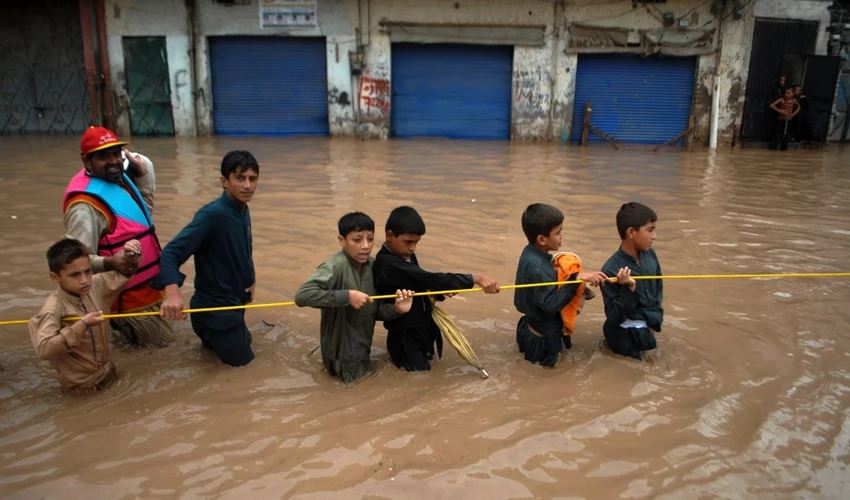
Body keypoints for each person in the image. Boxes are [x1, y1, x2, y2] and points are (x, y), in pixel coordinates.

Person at [63, 126, 174, 348]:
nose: (113, 161)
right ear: (87, 162)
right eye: (104, 156)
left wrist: (142, 175)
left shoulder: (119, 181)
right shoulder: (84, 207)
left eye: (116, 153)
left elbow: (141, 220)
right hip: (130, 305)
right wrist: (111, 262)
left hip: (149, 292)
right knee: (163, 354)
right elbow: (73, 263)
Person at [153, 151, 259, 367]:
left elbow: (240, 250)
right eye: (240, 178)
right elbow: (171, 252)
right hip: (215, 311)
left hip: (231, 306)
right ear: (224, 181)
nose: (247, 185)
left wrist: (250, 280)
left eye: (252, 178)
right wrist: (172, 294)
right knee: (246, 369)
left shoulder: (241, 209)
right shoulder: (212, 215)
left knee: (229, 354)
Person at [374, 206, 500, 372]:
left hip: (423, 328)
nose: (413, 248)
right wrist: (475, 278)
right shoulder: (387, 263)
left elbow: (419, 284)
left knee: (426, 371)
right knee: (420, 379)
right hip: (406, 337)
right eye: (408, 242)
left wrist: (440, 292)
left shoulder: (405, 254)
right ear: (390, 236)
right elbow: (428, 278)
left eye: (416, 242)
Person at [294, 212, 415, 383]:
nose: (365, 246)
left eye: (370, 239)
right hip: (341, 356)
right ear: (342, 240)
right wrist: (347, 296)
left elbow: (373, 308)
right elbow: (302, 295)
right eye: (357, 240)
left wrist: (396, 309)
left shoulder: (373, 266)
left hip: (362, 350)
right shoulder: (334, 266)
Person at [28, 238, 141, 395]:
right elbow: (44, 349)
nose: (84, 280)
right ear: (55, 278)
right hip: (82, 387)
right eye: (74, 275)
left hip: (108, 373)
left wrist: (130, 257)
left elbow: (123, 273)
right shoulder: (53, 308)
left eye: (87, 271)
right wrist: (82, 325)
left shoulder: (94, 285)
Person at [513, 204, 607, 367]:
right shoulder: (536, 267)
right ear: (542, 239)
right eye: (558, 233)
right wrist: (575, 279)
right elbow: (550, 305)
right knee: (548, 380)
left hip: (530, 328)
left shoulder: (531, 253)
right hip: (541, 342)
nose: (562, 236)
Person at [600, 202, 663, 361]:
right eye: (650, 230)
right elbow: (614, 317)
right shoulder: (610, 270)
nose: (654, 236)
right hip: (624, 336)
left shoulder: (650, 255)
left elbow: (658, 290)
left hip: (647, 329)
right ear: (631, 232)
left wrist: (655, 322)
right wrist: (629, 289)